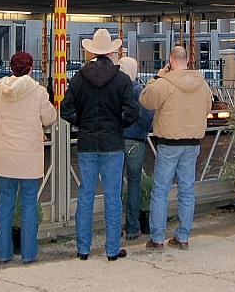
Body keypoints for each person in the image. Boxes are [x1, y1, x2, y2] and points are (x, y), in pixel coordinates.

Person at [60, 28, 140, 261]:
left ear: (91, 52)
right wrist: (119, 123)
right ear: (112, 52)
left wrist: (81, 122)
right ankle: (112, 249)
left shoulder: (78, 78)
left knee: (85, 195)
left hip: (86, 142)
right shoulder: (121, 79)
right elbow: (133, 111)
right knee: (112, 196)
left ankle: (83, 249)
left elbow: (66, 110)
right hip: (113, 143)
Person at [0, 52, 57, 264]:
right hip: (29, 159)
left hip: (4, 157)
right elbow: (50, 118)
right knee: (29, 205)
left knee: (5, 205)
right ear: (31, 69)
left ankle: (4, 254)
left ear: (11, 68)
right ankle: (29, 254)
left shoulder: (0, 88)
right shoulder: (39, 92)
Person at [139, 46, 212, 250]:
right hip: (193, 143)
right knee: (187, 190)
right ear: (188, 61)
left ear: (170, 61)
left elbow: (146, 100)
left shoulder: (164, 83)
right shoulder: (202, 83)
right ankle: (183, 237)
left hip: (169, 142)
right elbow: (208, 107)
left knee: (161, 190)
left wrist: (156, 77)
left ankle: (157, 238)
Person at [119, 56, 154, 241]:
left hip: (115, 140)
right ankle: (132, 227)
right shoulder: (139, 90)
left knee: (114, 184)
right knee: (134, 184)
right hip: (135, 141)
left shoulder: (115, 89)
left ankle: (115, 225)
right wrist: (144, 130)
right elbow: (147, 115)